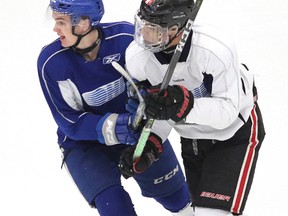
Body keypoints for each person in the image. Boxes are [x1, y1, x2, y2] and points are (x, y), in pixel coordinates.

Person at [37, 0, 194, 215]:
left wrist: (146, 99)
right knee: (115, 207)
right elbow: (70, 122)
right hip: (85, 144)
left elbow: (153, 83)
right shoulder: (51, 63)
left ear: (83, 23)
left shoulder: (125, 39)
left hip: (136, 132)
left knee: (177, 198)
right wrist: (115, 126)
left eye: (61, 22)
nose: (55, 29)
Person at [120, 0, 266, 215]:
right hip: (193, 138)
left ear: (176, 28)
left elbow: (228, 112)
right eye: (143, 24)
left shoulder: (215, 49)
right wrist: (151, 143)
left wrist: (185, 105)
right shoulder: (138, 59)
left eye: (154, 28)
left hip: (235, 133)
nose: (145, 34)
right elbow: (161, 111)